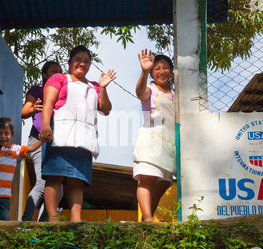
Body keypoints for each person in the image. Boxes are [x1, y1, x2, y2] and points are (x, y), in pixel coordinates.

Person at [39, 45, 116, 222]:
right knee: (54, 177)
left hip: (84, 138)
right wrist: (45, 126)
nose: (82, 64)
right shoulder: (59, 78)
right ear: (70, 62)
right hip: (60, 133)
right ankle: (53, 218)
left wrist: (103, 88)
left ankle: (76, 220)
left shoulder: (94, 86)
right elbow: (48, 103)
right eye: (78, 60)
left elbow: (105, 109)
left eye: (86, 61)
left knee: (76, 181)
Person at [133, 49, 176, 222]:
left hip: (170, 144)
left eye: (165, 67)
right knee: (148, 179)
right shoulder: (150, 91)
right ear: (152, 72)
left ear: (171, 72)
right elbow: (139, 92)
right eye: (157, 68)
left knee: (165, 182)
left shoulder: (175, 95)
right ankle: (149, 219)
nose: (161, 71)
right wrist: (143, 71)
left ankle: (145, 218)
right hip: (151, 141)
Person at [20, 61, 62, 222]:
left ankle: (44, 224)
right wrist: (32, 109)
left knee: (60, 190)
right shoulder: (37, 90)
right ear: (44, 75)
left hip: (57, 142)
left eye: (60, 71)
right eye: (53, 71)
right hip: (38, 140)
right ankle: (26, 220)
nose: (57, 73)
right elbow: (24, 112)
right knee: (43, 182)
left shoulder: (62, 92)